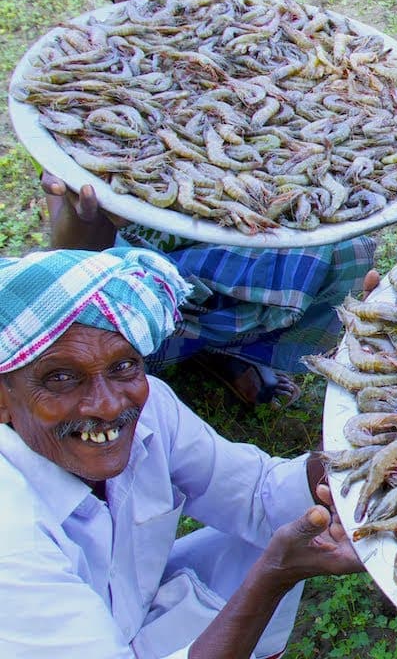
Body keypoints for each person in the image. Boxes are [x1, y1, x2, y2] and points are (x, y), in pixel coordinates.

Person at [42, 0, 377, 409]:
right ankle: (143, 365)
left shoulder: (249, 56)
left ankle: (231, 351)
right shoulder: (85, 74)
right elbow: (68, 258)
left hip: (225, 252)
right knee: (87, 317)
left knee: (349, 248)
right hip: (137, 269)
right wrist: (89, 214)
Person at [0, 248, 364, 658]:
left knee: (286, 526)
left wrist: (368, 432)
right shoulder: (12, 542)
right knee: (272, 560)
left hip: (132, 609)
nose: (106, 406)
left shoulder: (150, 406)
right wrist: (275, 577)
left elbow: (257, 494)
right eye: (62, 378)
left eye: (123, 366)